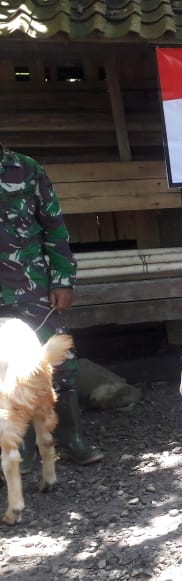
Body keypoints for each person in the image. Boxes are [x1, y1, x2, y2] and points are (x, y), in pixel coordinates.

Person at [0, 144, 103, 466]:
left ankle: (71, 439)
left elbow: (54, 228)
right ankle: (19, 447)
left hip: (32, 289)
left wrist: (62, 280)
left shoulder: (27, 169)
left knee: (58, 363)